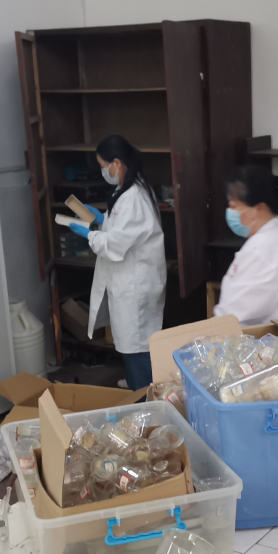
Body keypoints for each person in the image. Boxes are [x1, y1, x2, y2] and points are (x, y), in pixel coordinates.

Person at [69, 135, 166, 390]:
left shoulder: (133, 196)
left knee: (136, 345)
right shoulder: (131, 188)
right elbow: (124, 229)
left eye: (104, 166)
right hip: (131, 281)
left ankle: (143, 394)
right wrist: (103, 219)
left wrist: (89, 234)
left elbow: (115, 245)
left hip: (135, 285)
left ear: (117, 163)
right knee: (131, 341)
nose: (103, 172)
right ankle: (138, 384)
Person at [213, 165, 278, 327]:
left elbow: (236, 315)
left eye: (234, 207)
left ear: (259, 208)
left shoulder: (264, 247)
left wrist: (210, 333)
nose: (230, 212)